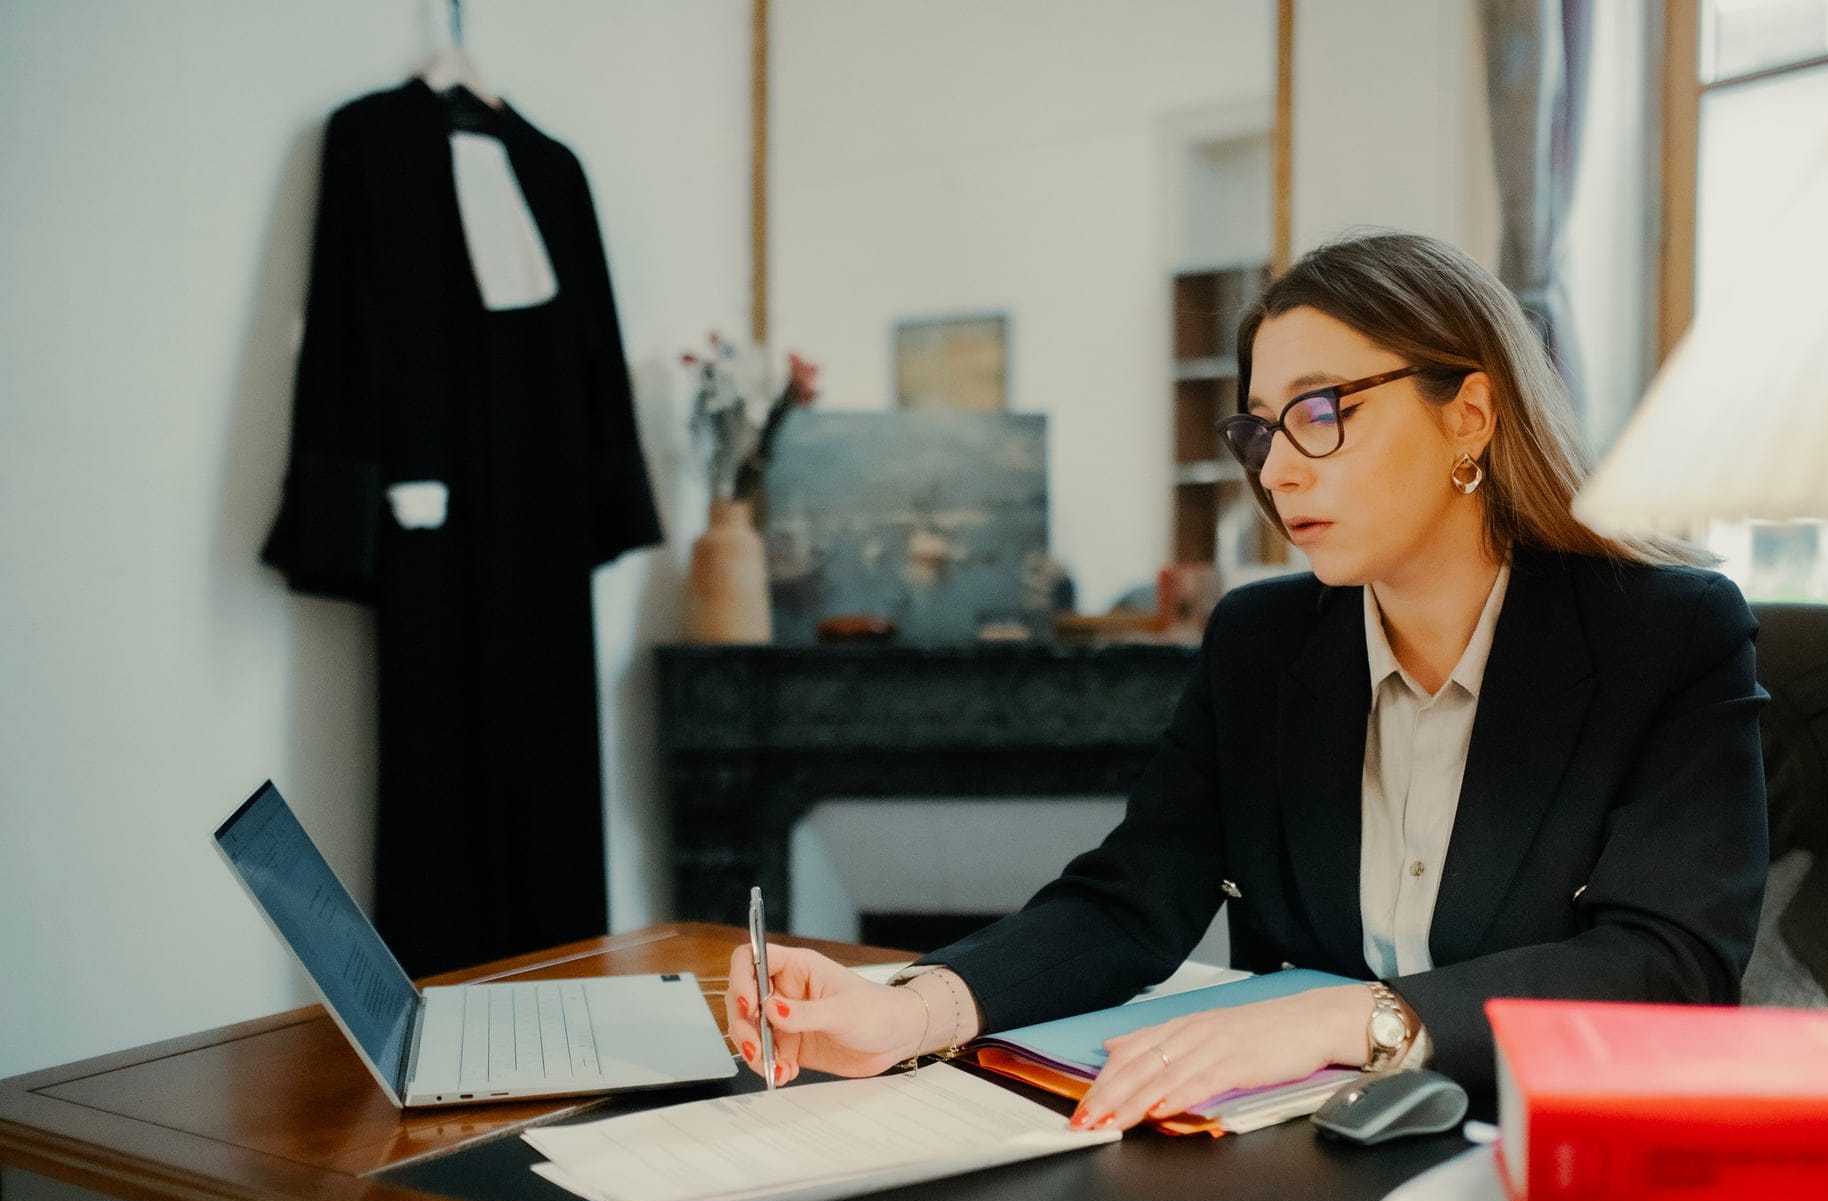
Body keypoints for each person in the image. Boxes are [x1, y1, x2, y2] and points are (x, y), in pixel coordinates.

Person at [726, 231, 1769, 1125]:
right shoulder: (1262, 641)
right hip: (1291, 1152)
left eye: (1321, 412)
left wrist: (1354, 1018)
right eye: (1261, 428)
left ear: (1469, 415)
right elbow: (1134, 897)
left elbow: (1665, 968)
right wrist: (907, 1010)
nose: (1274, 471)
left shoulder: (1662, 633)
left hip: (1533, 1155)